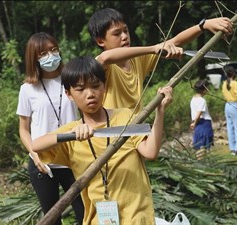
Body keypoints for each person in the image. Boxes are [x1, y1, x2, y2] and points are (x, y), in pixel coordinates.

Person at [32, 56, 173, 225]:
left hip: (137, 217)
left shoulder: (125, 117)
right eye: (80, 89)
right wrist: (71, 133)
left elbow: (150, 152)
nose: (90, 94)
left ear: (104, 86)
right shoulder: (72, 134)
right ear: (69, 94)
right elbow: (36, 146)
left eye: (95, 86)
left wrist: (160, 112)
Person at [88, 8, 233, 112]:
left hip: (136, 135)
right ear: (101, 41)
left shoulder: (137, 60)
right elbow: (105, 57)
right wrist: (154, 48)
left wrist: (203, 26)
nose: (125, 36)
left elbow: (174, 42)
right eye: (117, 34)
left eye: (125, 31)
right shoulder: (101, 66)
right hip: (112, 140)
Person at [16, 32, 84, 225]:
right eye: (43, 53)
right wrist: (34, 154)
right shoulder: (27, 89)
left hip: (74, 159)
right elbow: (23, 129)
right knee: (52, 219)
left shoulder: (72, 79)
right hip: (43, 165)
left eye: (54, 50)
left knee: (85, 214)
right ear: (34, 58)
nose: (51, 56)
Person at [190, 79, 214, 159]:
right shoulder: (202, 100)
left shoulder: (193, 99)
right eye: (207, 88)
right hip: (203, 123)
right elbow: (199, 113)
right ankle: (203, 162)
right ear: (204, 89)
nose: (208, 90)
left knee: (199, 143)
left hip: (198, 124)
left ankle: (200, 161)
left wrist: (194, 123)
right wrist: (195, 123)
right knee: (204, 144)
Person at [222, 66, 237, 156]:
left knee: (230, 127)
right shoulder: (235, 83)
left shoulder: (224, 83)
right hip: (234, 105)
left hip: (227, 105)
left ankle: (232, 149)